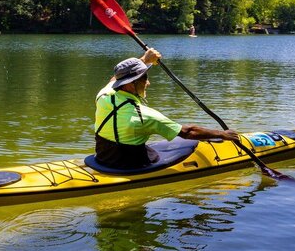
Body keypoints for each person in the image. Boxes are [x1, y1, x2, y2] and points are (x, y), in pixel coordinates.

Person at [94, 47, 239, 169]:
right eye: (145, 79)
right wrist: (222, 134)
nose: (148, 83)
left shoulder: (103, 95)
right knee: (188, 142)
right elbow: (187, 132)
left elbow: (115, 80)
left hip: (103, 157)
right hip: (130, 165)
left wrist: (145, 59)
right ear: (131, 84)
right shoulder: (145, 116)